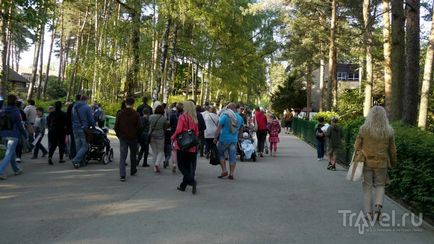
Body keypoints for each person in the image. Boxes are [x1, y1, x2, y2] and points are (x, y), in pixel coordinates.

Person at [354, 106, 397, 221]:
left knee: (367, 186)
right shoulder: (389, 131)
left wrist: (361, 151)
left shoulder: (364, 129)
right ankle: (378, 207)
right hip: (382, 163)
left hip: (367, 161)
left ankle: (368, 213)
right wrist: (393, 162)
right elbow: (393, 150)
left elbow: (356, 146)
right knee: (380, 185)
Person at [171, 101, 199, 194]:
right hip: (192, 146)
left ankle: (191, 180)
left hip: (183, 145)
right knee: (187, 166)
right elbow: (197, 133)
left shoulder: (182, 117)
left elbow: (178, 130)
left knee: (181, 165)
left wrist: (173, 137)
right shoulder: (194, 118)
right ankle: (183, 186)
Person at [114, 97, 142, 182]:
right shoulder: (136, 114)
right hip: (133, 138)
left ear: (126, 103)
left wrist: (119, 135)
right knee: (133, 155)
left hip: (123, 137)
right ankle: (133, 170)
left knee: (123, 156)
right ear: (133, 104)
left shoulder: (120, 113)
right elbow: (139, 127)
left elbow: (116, 126)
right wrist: (137, 135)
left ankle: (122, 174)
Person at [214, 103, 243, 180]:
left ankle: (224, 170)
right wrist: (240, 138)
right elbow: (241, 130)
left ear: (229, 108)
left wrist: (215, 138)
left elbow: (218, 128)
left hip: (223, 139)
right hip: (234, 140)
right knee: (232, 156)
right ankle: (231, 174)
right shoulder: (240, 118)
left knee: (220, 154)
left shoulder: (225, 116)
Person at [0, 95, 26, 180]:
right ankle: (0, 172)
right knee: (9, 154)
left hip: (3, 134)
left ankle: (16, 169)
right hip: (13, 135)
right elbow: (20, 125)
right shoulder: (16, 111)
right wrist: (24, 134)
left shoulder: (2, 110)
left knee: (11, 153)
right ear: (15, 101)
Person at [71, 95, 95, 169]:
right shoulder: (87, 107)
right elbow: (91, 119)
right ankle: (75, 160)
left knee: (78, 146)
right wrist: (93, 125)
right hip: (83, 129)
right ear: (86, 99)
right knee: (85, 146)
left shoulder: (74, 107)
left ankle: (80, 162)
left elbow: (72, 117)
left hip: (75, 128)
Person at [148, 105, 170, 173]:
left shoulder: (150, 117)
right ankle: (157, 164)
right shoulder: (163, 118)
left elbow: (149, 125)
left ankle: (155, 167)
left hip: (151, 136)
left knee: (154, 152)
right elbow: (165, 127)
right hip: (160, 136)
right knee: (161, 151)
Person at [169, 103, 183, 173]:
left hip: (174, 134)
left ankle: (174, 163)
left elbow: (170, 124)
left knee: (174, 150)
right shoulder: (184, 116)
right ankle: (181, 164)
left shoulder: (172, 115)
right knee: (181, 150)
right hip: (182, 135)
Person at [66, 95, 81, 160]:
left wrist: (68, 127)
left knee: (73, 141)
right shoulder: (80, 106)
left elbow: (68, 117)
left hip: (71, 126)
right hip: (79, 126)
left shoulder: (71, 106)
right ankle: (77, 155)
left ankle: (72, 154)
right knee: (79, 142)